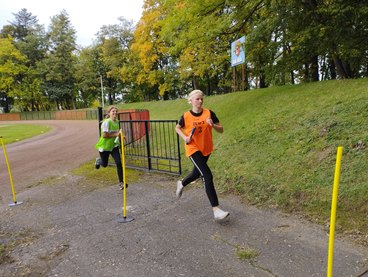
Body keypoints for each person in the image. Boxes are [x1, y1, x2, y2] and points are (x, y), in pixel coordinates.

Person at [175, 89, 229, 221]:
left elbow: (221, 130)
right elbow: (177, 128)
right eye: (197, 99)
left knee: (196, 174)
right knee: (207, 175)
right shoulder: (186, 116)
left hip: (206, 148)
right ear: (191, 101)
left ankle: (181, 183)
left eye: (201, 99)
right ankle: (216, 209)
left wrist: (213, 125)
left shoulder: (209, 113)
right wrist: (185, 137)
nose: (200, 101)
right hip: (193, 149)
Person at [95, 106, 127, 190]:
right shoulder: (106, 122)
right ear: (109, 113)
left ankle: (121, 183)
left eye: (116, 111)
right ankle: (99, 161)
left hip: (113, 146)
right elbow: (104, 135)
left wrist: (122, 136)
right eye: (113, 111)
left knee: (119, 163)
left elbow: (117, 133)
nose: (115, 113)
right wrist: (116, 134)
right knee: (104, 164)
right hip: (104, 147)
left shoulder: (117, 122)